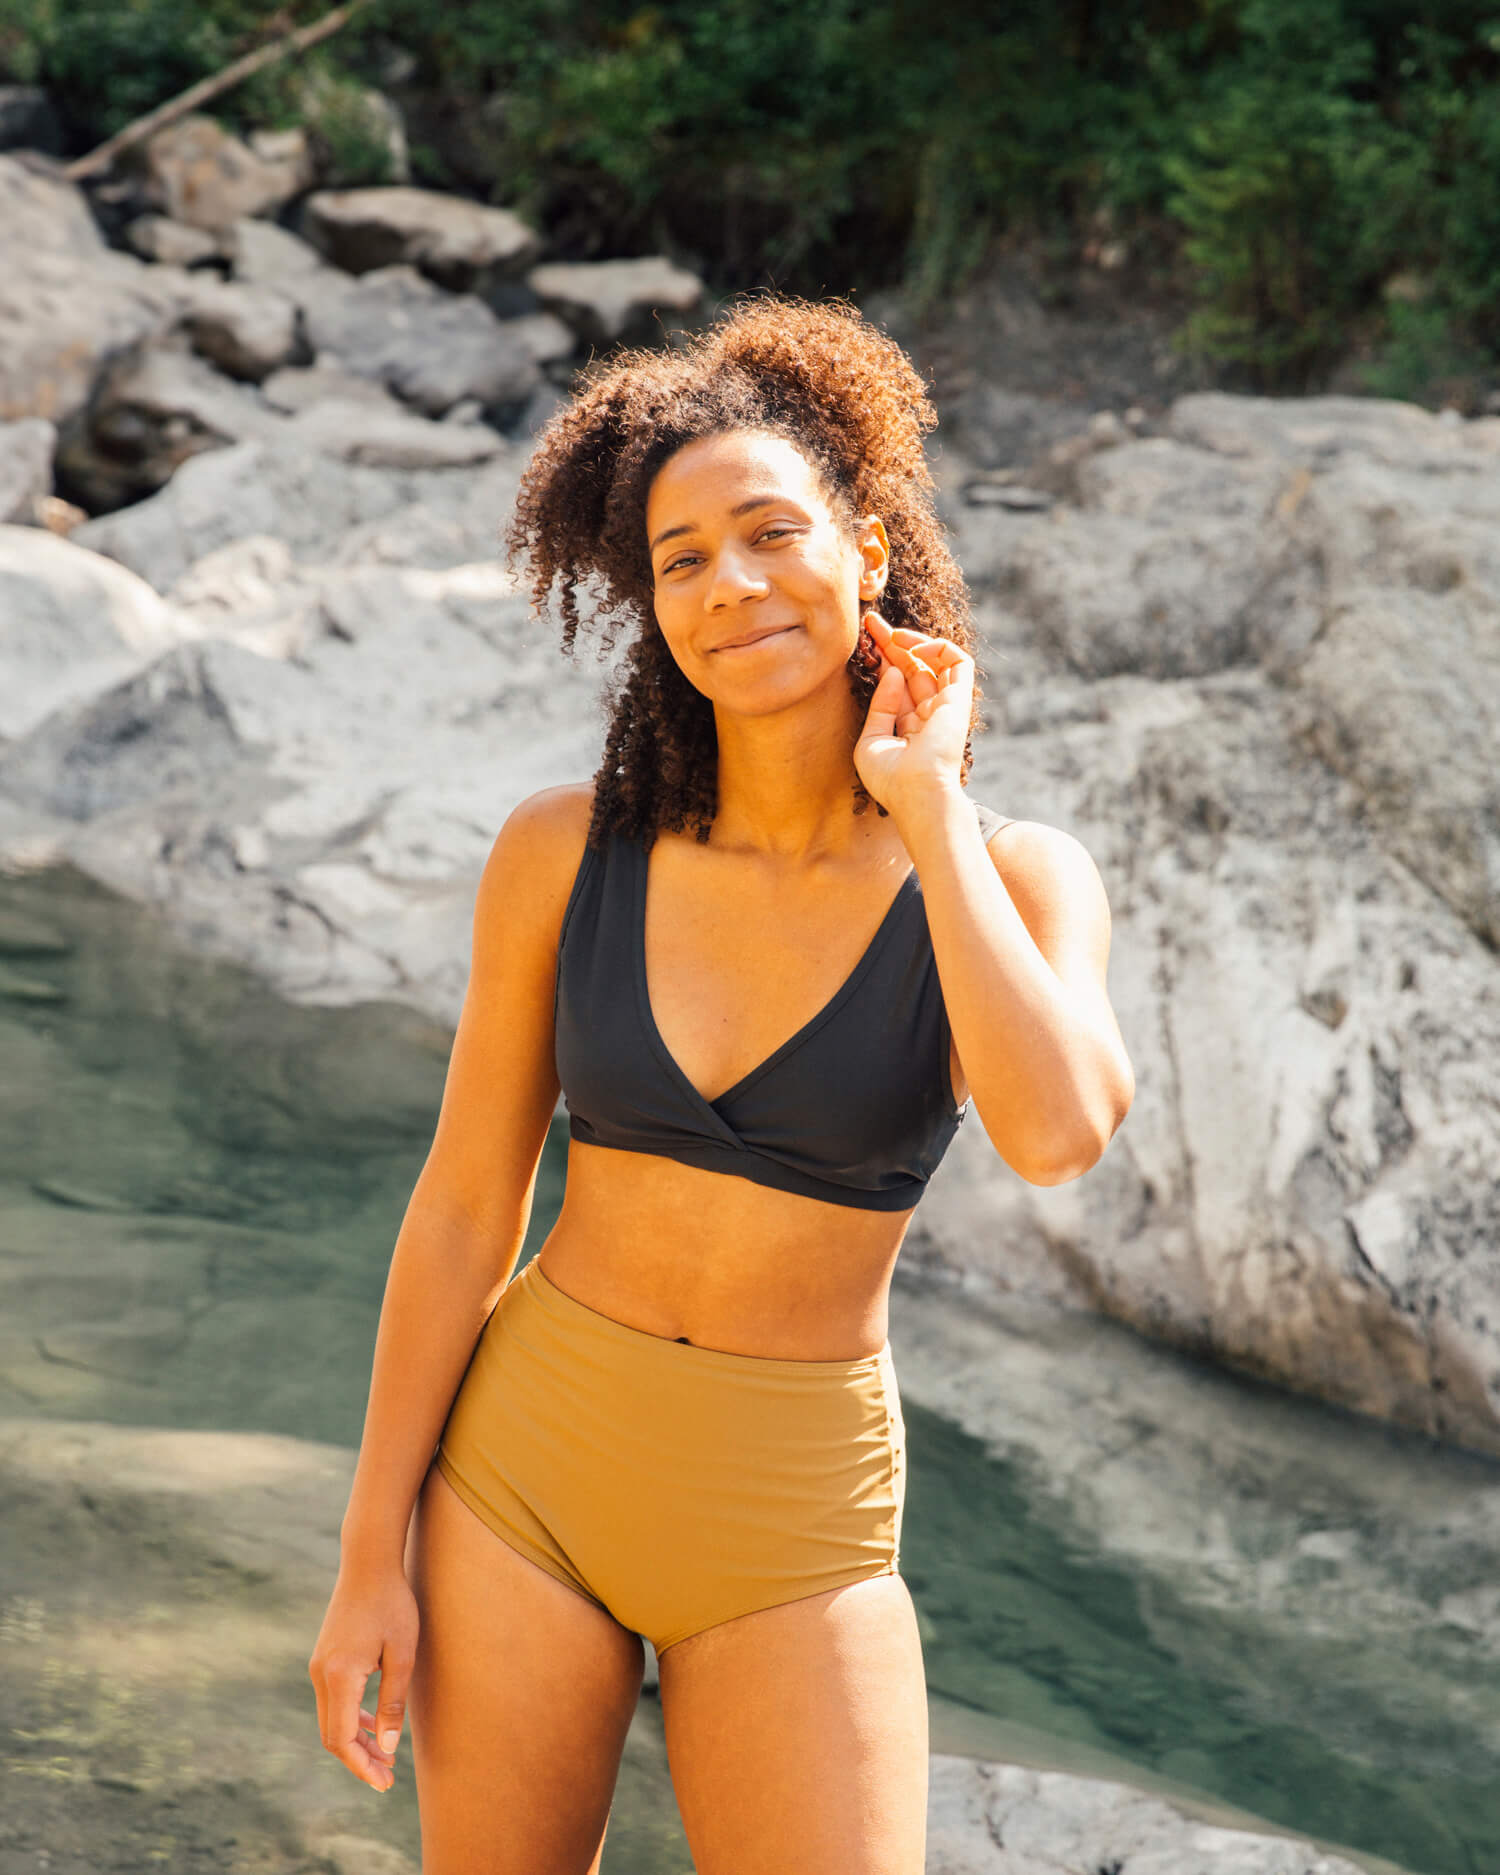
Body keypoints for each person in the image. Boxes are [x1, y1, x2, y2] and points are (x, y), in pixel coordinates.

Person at [308, 293, 1134, 1874]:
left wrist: (931, 809)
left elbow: (1058, 1134)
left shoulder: (1015, 878)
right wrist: (371, 1551)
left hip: (794, 1518)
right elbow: (468, 1203)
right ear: (651, 609)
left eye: (769, 533)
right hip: (520, 1483)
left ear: (868, 552)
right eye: (681, 560)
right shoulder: (563, 854)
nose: (730, 585)